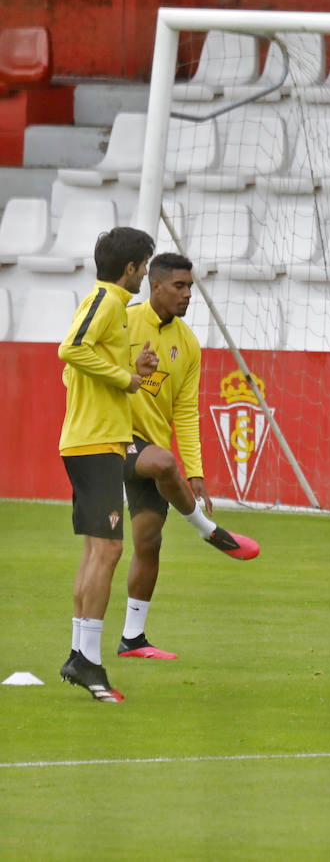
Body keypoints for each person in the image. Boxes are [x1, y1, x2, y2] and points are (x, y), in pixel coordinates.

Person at [119, 252, 260, 661]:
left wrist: (195, 474)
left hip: (151, 442)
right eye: (179, 287)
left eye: (191, 287)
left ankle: (133, 639)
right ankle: (206, 529)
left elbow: (185, 410)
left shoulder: (188, 343)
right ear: (155, 285)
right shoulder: (123, 321)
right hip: (112, 437)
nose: (187, 294)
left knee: (148, 541)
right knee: (163, 464)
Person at [57, 227, 161, 702]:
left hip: (93, 442)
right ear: (133, 267)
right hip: (95, 443)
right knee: (109, 552)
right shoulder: (108, 302)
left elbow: (73, 370)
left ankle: (80, 654)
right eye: (145, 265)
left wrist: (127, 375)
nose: (145, 272)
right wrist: (126, 380)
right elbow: (70, 350)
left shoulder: (104, 303)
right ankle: (91, 662)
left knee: (95, 552)